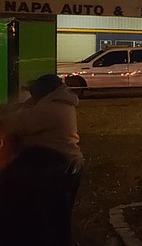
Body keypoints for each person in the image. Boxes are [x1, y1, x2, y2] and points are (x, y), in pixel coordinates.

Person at [0, 74, 83, 246]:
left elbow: (16, 122)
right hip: (60, 163)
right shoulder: (57, 103)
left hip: (56, 164)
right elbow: (24, 110)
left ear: (44, 91)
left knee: (10, 185)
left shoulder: (51, 109)